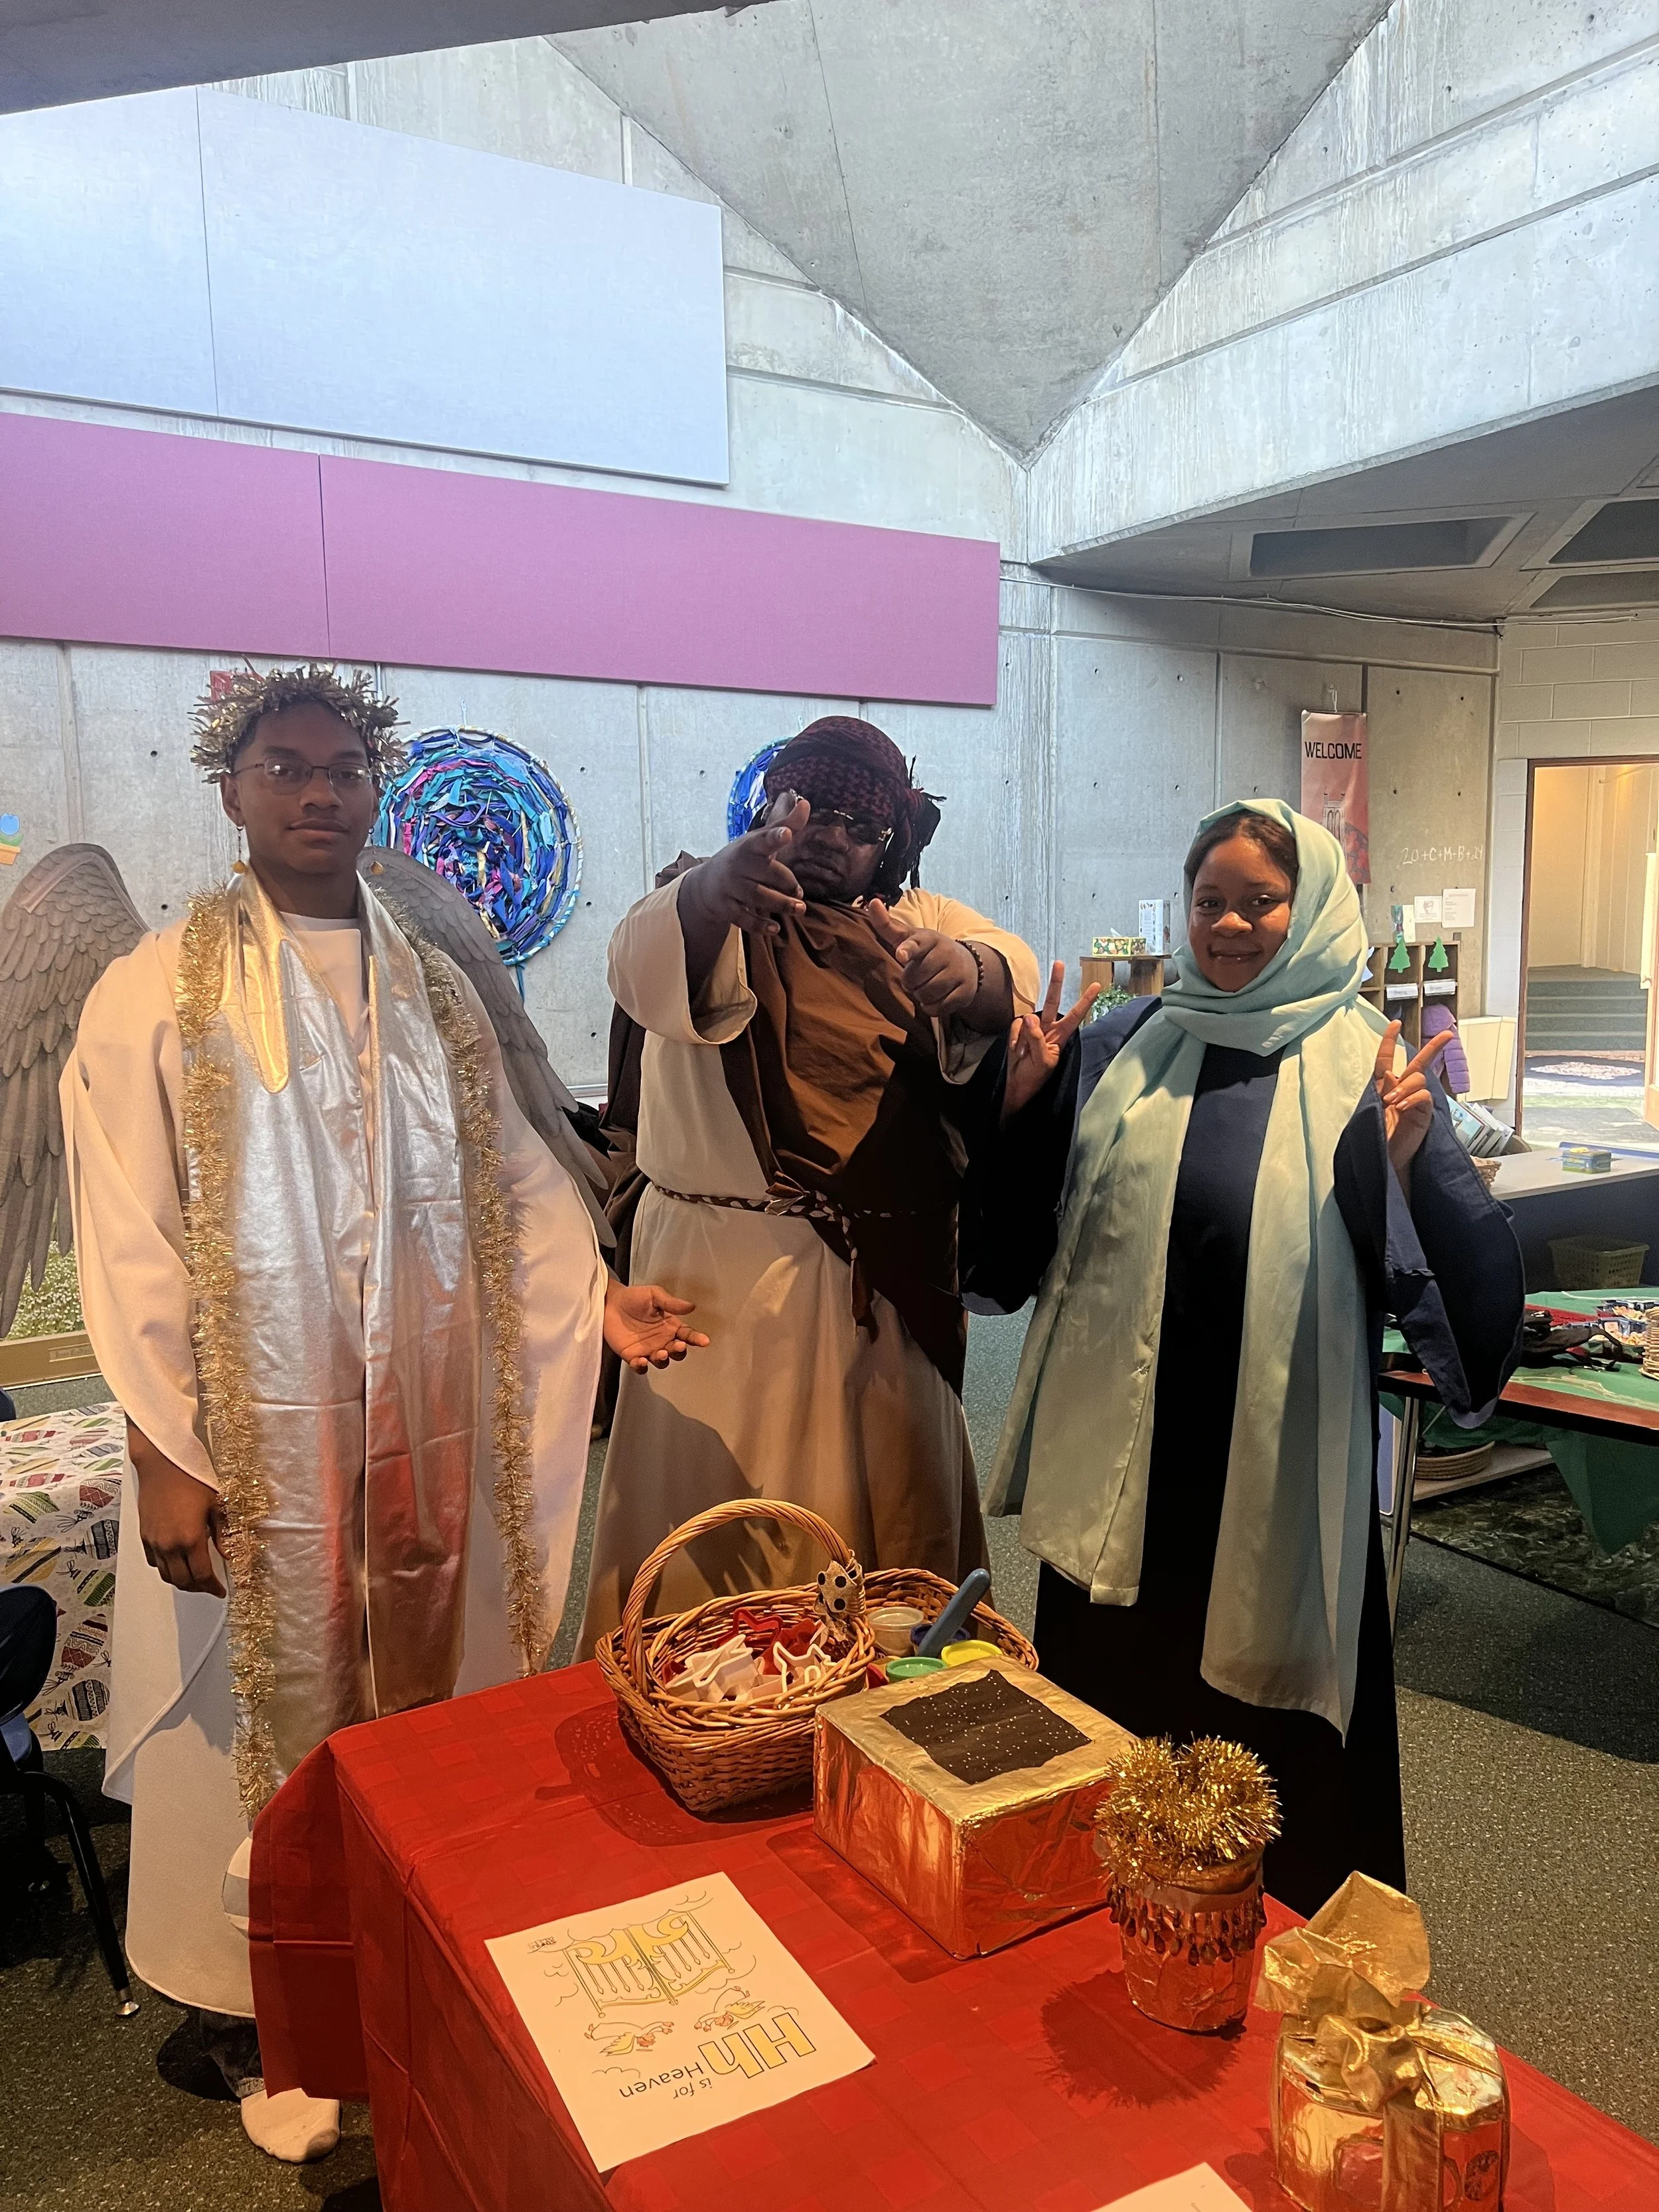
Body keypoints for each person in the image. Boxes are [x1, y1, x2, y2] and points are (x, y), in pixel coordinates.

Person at [61, 665, 704, 2162]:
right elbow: (129, 1232)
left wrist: (593, 1305)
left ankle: (414, 1971)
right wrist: (164, 1447)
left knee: (430, 1695)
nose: (316, 792)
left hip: (419, 1437)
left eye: (343, 767)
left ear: (376, 787)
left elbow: (519, 1178)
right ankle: (266, 2019)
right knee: (254, 1715)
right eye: (283, 766)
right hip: (254, 1453)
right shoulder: (152, 987)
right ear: (228, 789)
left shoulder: (425, 974)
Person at [970, 799, 1523, 1913]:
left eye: (1259, 901)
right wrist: (1025, 1109)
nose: (1229, 925)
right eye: (1210, 902)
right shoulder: (1127, 1045)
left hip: (1270, 1470)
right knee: (1117, 1724)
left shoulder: (1369, 1064)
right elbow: (1017, 1252)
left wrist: (1410, 1162)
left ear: (1309, 907)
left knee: (1261, 1751)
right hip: (1128, 1460)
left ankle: (1278, 1944)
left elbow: (1462, 1298)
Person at [578, 716, 1039, 1649]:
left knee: (872, 1531)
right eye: (806, 808)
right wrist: (714, 890)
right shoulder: (693, 905)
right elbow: (640, 964)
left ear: (890, 846)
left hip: (868, 1279)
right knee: (709, 1538)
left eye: (858, 824)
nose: (828, 834)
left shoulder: (915, 924)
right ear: (768, 809)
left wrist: (969, 975)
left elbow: (1007, 970)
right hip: (712, 1288)